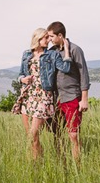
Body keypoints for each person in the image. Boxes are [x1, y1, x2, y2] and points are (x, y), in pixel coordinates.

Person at [12, 27, 71, 159]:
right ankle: (37, 164)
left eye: (50, 37)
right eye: (46, 38)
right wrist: (22, 79)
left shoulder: (52, 55)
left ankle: (38, 161)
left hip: (44, 96)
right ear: (38, 39)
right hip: (28, 95)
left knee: (33, 134)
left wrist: (66, 50)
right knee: (31, 137)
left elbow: (66, 68)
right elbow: (21, 74)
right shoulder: (26, 54)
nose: (49, 40)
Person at [47, 21, 90, 160]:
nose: (49, 40)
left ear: (60, 35)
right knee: (56, 131)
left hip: (72, 96)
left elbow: (84, 74)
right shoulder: (52, 52)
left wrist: (84, 99)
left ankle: (77, 164)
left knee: (73, 134)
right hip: (57, 98)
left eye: (51, 36)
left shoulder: (75, 49)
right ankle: (61, 159)